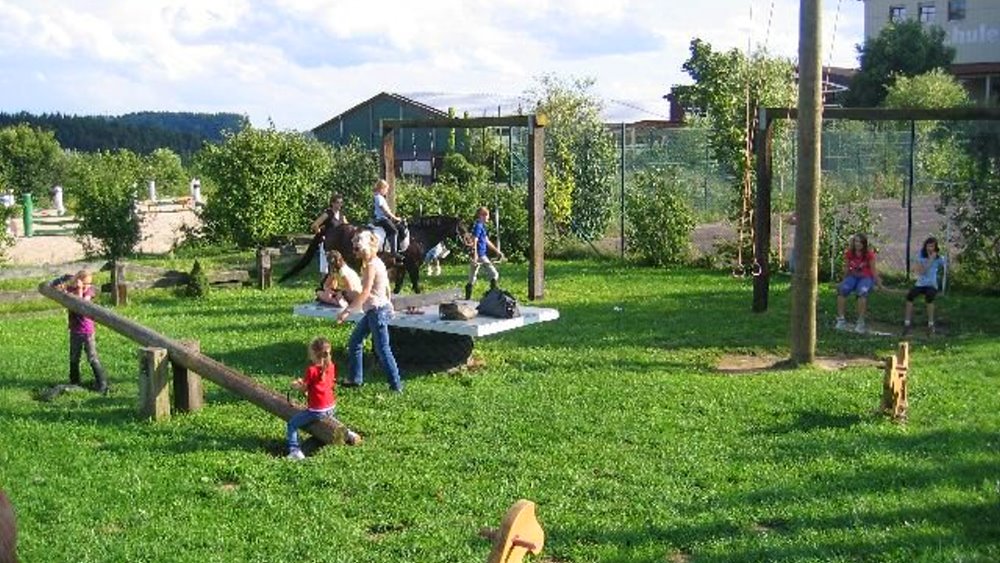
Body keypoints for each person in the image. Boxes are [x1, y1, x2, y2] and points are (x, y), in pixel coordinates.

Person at [336, 230, 402, 392]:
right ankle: (355, 379)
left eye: (356, 248)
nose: (354, 251)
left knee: (382, 349)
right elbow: (386, 286)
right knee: (355, 342)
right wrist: (389, 302)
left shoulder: (372, 266)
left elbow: (365, 292)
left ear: (366, 248)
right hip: (375, 310)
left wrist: (347, 311)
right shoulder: (375, 262)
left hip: (377, 311)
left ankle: (396, 386)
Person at [285, 337, 361, 460]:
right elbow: (323, 384)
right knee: (332, 420)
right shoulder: (331, 366)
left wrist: (296, 385)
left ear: (313, 353)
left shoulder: (312, 370)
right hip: (331, 405)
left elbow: (304, 389)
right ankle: (349, 434)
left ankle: (295, 450)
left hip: (317, 410)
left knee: (292, 424)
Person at [52, 270, 109, 394]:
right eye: (85, 283)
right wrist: (64, 278)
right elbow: (54, 286)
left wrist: (80, 290)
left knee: (92, 357)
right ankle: (74, 382)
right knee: (74, 356)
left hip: (87, 330)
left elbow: (82, 305)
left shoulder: (89, 291)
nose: (88, 285)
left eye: (89, 283)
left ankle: (102, 384)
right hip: (75, 329)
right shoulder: (71, 289)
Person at [834, 233, 883, 334]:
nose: (858, 244)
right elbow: (847, 268)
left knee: (862, 292)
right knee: (842, 290)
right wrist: (843, 281)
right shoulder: (849, 253)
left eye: (860, 242)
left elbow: (873, 270)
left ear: (864, 244)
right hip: (853, 276)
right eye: (856, 241)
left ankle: (860, 322)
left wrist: (878, 283)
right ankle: (841, 319)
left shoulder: (869, 254)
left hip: (866, 277)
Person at [903, 236, 946, 336]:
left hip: (931, 284)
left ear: (935, 248)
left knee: (929, 298)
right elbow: (922, 271)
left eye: (932, 247)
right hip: (921, 283)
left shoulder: (938, 259)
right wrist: (930, 260)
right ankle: (907, 322)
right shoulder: (921, 257)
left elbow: (945, 267)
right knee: (910, 296)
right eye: (928, 246)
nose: (930, 249)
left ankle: (930, 323)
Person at [464, 206, 505, 300]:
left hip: (480, 254)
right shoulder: (478, 226)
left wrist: (497, 252)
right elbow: (475, 240)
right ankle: (493, 296)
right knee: (494, 274)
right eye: (487, 216)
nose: (488, 218)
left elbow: (486, 240)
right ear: (481, 216)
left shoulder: (481, 226)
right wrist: (475, 256)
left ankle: (467, 297)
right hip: (479, 255)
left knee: (472, 277)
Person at [311, 193, 349, 275]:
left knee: (338, 265)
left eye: (341, 203)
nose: (339, 205)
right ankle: (324, 285)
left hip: (339, 244)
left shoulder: (342, 216)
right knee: (325, 268)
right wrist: (320, 235)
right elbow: (315, 225)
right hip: (327, 243)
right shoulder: (327, 214)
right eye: (337, 202)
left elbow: (347, 227)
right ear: (332, 203)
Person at [372, 179, 403, 258]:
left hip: (382, 218)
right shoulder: (379, 197)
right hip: (382, 219)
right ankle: (393, 252)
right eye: (386, 189)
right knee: (394, 231)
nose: (386, 191)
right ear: (382, 188)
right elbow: (385, 210)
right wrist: (394, 218)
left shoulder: (379, 197)